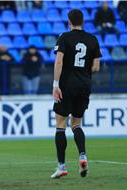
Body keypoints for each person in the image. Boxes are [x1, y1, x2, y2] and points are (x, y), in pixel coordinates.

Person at [51, 9, 101, 179]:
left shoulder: (64, 37)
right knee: (77, 124)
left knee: (60, 124)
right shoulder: (93, 39)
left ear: (69, 21)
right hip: (84, 86)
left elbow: (59, 61)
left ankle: (62, 166)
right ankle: (82, 156)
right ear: (83, 21)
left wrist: (55, 85)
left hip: (66, 85)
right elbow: (96, 67)